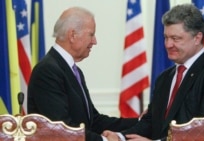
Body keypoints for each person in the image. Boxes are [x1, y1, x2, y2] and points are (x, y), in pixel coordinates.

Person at [102, 3, 204, 141]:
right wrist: (120, 137)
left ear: (197, 38)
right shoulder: (164, 78)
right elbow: (150, 121)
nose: (168, 44)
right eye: (166, 37)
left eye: (176, 38)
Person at [27, 6, 138, 141]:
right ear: (73, 35)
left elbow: (93, 121)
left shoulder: (73, 70)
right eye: (91, 34)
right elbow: (62, 129)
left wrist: (141, 122)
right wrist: (105, 140)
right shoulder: (47, 71)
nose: (94, 41)